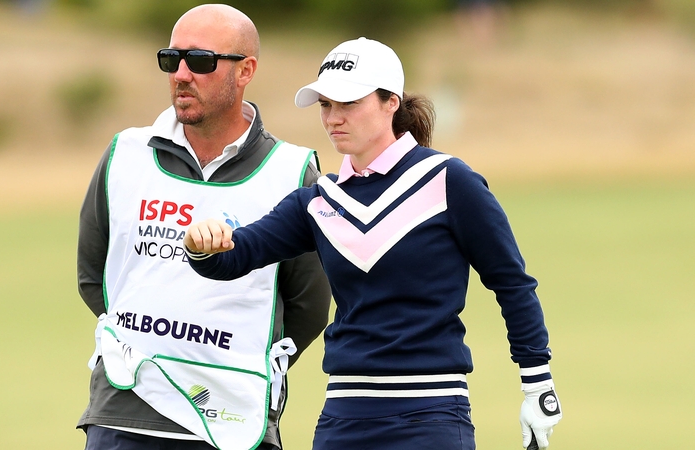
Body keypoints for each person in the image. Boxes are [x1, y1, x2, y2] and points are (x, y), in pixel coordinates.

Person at [183, 37, 563, 450]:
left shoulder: (448, 180)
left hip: (432, 414)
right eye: (325, 105)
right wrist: (202, 244)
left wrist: (537, 384)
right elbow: (232, 258)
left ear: (390, 103)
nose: (333, 118)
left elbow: (511, 282)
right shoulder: (319, 200)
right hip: (344, 417)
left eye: (348, 103)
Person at [76, 4, 332, 450]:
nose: (181, 74)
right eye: (171, 59)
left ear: (245, 70)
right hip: (125, 410)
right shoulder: (126, 153)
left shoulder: (292, 171)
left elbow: (308, 306)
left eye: (200, 61)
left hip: (233, 421)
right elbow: (93, 276)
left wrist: (227, 360)